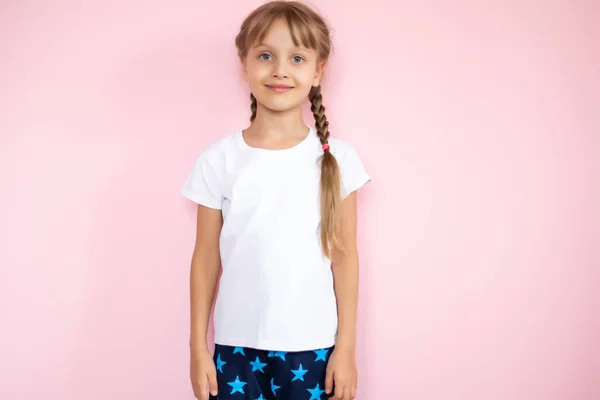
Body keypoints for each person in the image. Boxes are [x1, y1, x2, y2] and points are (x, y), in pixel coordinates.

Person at [181, 1, 371, 399]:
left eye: (297, 58)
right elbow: (205, 258)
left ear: (318, 70)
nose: (280, 69)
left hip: (313, 348)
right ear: (244, 63)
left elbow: (346, 257)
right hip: (235, 349)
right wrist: (198, 348)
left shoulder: (338, 159)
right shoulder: (219, 159)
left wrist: (346, 349)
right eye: (265, 55)